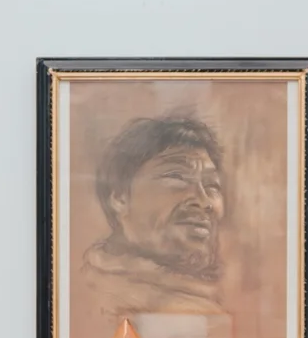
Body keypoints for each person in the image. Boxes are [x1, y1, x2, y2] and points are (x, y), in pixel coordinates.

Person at [80, 115, 227, 324]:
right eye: (177, 177)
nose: (204, 202)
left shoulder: (207, 309)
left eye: (212, 186)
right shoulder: (88, 302)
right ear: (120, 197)